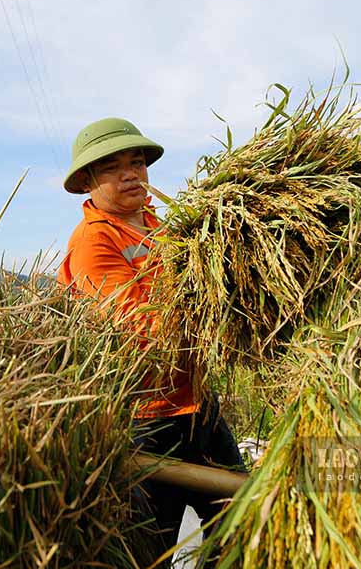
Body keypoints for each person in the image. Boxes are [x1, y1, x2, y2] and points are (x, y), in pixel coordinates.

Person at [57, 118, 246, 564]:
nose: (130, 174)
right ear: (87, 179)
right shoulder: (92, 242)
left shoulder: (167, 229)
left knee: (241, 525)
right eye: (112, 167)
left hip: (198, 403)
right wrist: (214, 303)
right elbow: (143, 329)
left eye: (137, 162)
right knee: (153, 549)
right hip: (146, 423)